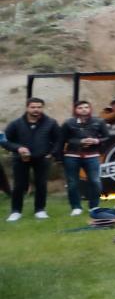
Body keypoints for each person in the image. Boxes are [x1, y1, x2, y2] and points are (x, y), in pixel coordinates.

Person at [6, 94, 64, 222]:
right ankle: (16, 211)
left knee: (41, 184)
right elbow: (5, 140)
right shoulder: (16, 123)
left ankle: (40, 210)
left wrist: (52, 153)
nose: (36, 110)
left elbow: (58, 140)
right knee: (19, 185)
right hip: (20, 158)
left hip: (42, 158)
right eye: (33, 107)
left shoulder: (51, 123)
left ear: (42, 108)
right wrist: (18, 148)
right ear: (27, 108)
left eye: (39, 107)